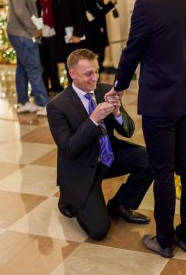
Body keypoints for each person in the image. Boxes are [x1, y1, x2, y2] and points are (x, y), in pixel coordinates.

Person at [105, 0, 186, 258]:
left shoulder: (147, 7)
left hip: (159, 105)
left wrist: (118, 86)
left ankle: (164, 241)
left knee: (163, 171)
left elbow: (132, 52)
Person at [47, 48, 152, 240]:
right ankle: (68, 198)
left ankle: (120, 204)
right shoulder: (57, 106)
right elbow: (69, 149)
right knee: (99, 231)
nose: (94, 78)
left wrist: (118, 113)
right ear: (72, 74)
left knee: (149, 158)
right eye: (88, 73)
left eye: (96, 71)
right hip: (80, 167)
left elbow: (128, 131)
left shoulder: (104, 90)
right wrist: (93, 119)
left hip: (108, 155)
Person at [7, 0, 49, 116]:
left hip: (21, 31)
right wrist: (34, 30)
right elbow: (20, 10)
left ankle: (23, 102)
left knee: (23, 68)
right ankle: (43, 103)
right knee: (34, 67)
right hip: (21, 33)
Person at [53, 0, 89, 78]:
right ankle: (73, 93)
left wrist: (78, 34)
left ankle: (79, 94)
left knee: (76, 68)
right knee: (71, 68)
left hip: (74, 37)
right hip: (67, 36)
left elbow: (80, 12)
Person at [34, 0, 63, 95]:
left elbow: (57, 14)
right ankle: (44, 87)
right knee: (43, 63)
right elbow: (34, 15)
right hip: (40, 34)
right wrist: (35, 1)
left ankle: (55, 86)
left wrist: (55, 1)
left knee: (53, 62)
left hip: (52, 33)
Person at [84, 0, 119, 71]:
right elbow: (98, 13)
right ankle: (94, 82)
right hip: (92, 33)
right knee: (94, 60)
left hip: (100, 31)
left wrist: (112, 1)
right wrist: (112, 1)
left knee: (101, 58)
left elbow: (102, 9)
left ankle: (96, 81)